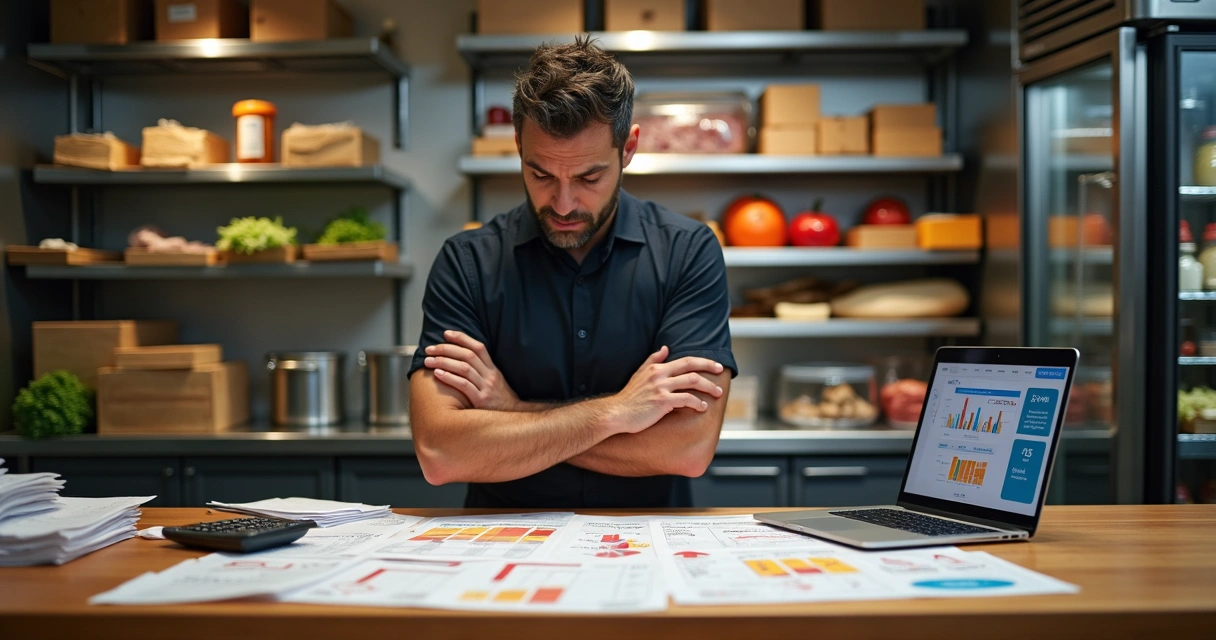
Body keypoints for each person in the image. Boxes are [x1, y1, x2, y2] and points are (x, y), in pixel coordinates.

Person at [408, 36, 736, 508]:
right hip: (502, 544)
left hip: (644, 542)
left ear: (628, 149)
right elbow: (442, 452)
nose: (563, 204)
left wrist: (514, 413)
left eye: (588, 178)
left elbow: (687, 447)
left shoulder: (688, 251)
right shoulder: (468, 263)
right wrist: (618, 412)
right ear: (519, 145)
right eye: (541, 175)